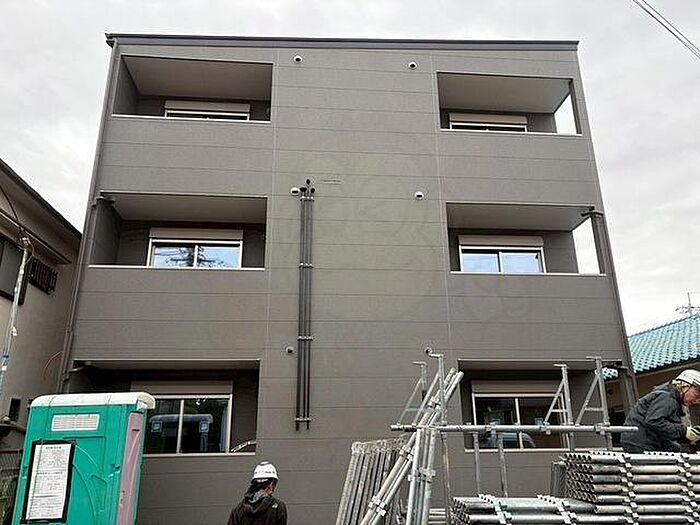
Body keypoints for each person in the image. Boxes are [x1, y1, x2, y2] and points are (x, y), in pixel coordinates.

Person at [621, 369, 700, 453]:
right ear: (684, 386)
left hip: (647, 439)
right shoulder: (666, 397)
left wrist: (689, 435)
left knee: (675, 448)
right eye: (697, 395)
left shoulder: (673, 399)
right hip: (640, 443)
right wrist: (683, 431)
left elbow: (667, 429)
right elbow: (654, 421)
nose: (697, 400)